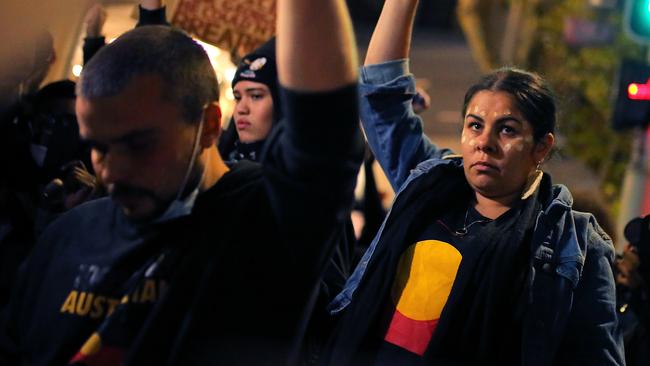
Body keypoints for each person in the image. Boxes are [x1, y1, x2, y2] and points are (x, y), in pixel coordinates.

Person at [0, 0, 363, 364]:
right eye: (98, 146)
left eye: (138, 145)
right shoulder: (66, 236)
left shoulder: (267, 222)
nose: (111, 171)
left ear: (207, 125)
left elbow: (323, 126)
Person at [323, 0, 624, 365]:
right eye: (475, 125)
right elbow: (381, 99)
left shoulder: (575, 246)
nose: (485, 142)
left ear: (541, 148)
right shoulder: (430, 184)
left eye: (508, 130)